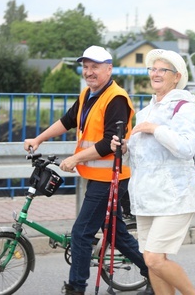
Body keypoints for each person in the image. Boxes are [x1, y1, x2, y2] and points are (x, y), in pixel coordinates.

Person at [23, 45, 152, 295]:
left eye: (95, 67)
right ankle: (154, 272)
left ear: (109, 69)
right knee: (115, 233)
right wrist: (39, 139)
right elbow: (67, 120)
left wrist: (75, 158)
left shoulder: (116, 98)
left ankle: (76, 288)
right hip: (96, 177)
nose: (89, 72)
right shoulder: (88, 95)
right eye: (85, 67)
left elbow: (107, 143)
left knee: (81, 233)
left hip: (111, 178)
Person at [111, 49, 195, 295]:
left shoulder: (185, 108)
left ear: (177, 77)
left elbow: (186, 148)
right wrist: (125, 148)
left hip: (175, 197)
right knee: (154, 263)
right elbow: (141, 158)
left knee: (153, 259)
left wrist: (156, 129)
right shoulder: (145, 112)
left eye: (163, 69)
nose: (155, 74)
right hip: (146, 198)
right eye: (153, 69)